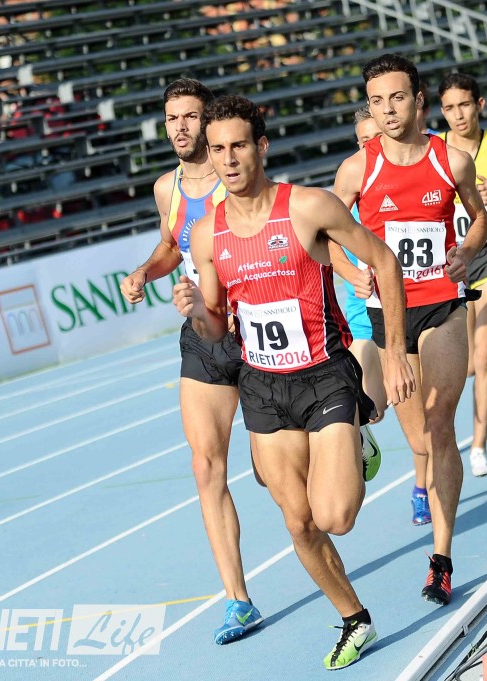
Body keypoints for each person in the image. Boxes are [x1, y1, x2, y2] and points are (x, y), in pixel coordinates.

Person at [175, 94, 416, 670]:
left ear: (261, 146)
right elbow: (217, 326)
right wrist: (197, 311)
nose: (228, 159)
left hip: (324, 376)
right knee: (299, 522)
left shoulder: (308, 207)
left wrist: (395, 352)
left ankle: (356, 434)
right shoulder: (207, 235)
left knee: (336, 517)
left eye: (238, 146)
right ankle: (355, 619)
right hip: (262, 385)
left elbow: (384, 261)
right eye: (217, 149)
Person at [333, 54, 487, 606]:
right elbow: (326, 233)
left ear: (419, 101)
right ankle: (374, 430)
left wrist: (466, 249)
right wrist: (349, 269)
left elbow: (479, 216)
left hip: (443, 304)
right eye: (376, 101)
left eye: (397, 98)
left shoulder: (452, 160)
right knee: (420, 440)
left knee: (440, 425)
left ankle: (441, 559)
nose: (387, 110)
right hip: (388, 317)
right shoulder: (358, 169)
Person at [118, 79, 264, 647]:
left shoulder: (237, 177)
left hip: (258, 332)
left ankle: (342, 422)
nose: (180, 127)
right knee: (206, 466)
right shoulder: (167, 187)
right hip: (203, 337)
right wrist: (144, 272)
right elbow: (171, 245)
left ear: (210, 121)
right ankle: (238, 599)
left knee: (277, 477)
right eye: (171, 118)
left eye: (190, 117)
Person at [335, 107, 433, 526]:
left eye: (374, 138)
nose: (368, 145)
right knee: (370, 407)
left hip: (415, 314)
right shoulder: (349, 191)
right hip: (364, 322)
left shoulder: (408, 183)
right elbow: (325, 246)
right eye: (361, 140)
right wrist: (351, 273)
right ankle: (360, 438)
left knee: (419, 411)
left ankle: (421, 487)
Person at [438, 72, 487, 476]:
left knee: (484, 352)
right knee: (465, 364)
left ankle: (479, 445)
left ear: (479, 105)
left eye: (464, 105)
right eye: (449, 108)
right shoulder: (436, 150)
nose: (458, 115)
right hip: (452, 264)